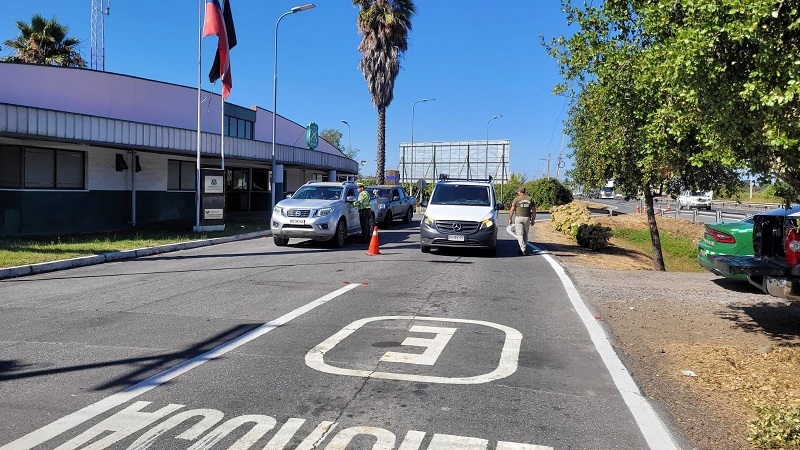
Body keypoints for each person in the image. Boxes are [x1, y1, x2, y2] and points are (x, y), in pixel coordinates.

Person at [509, 186, 536, 255]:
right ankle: (524, 247)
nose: (517, 193)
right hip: (527, 218)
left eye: (518, 191)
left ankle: (522, 248)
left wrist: (510, 218)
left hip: (518, 218)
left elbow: (512, 209)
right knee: (525, 233)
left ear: (520, 191)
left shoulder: (517, 199)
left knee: (519, 233)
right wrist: (533, 219)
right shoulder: (530, 199)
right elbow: (533, 210)